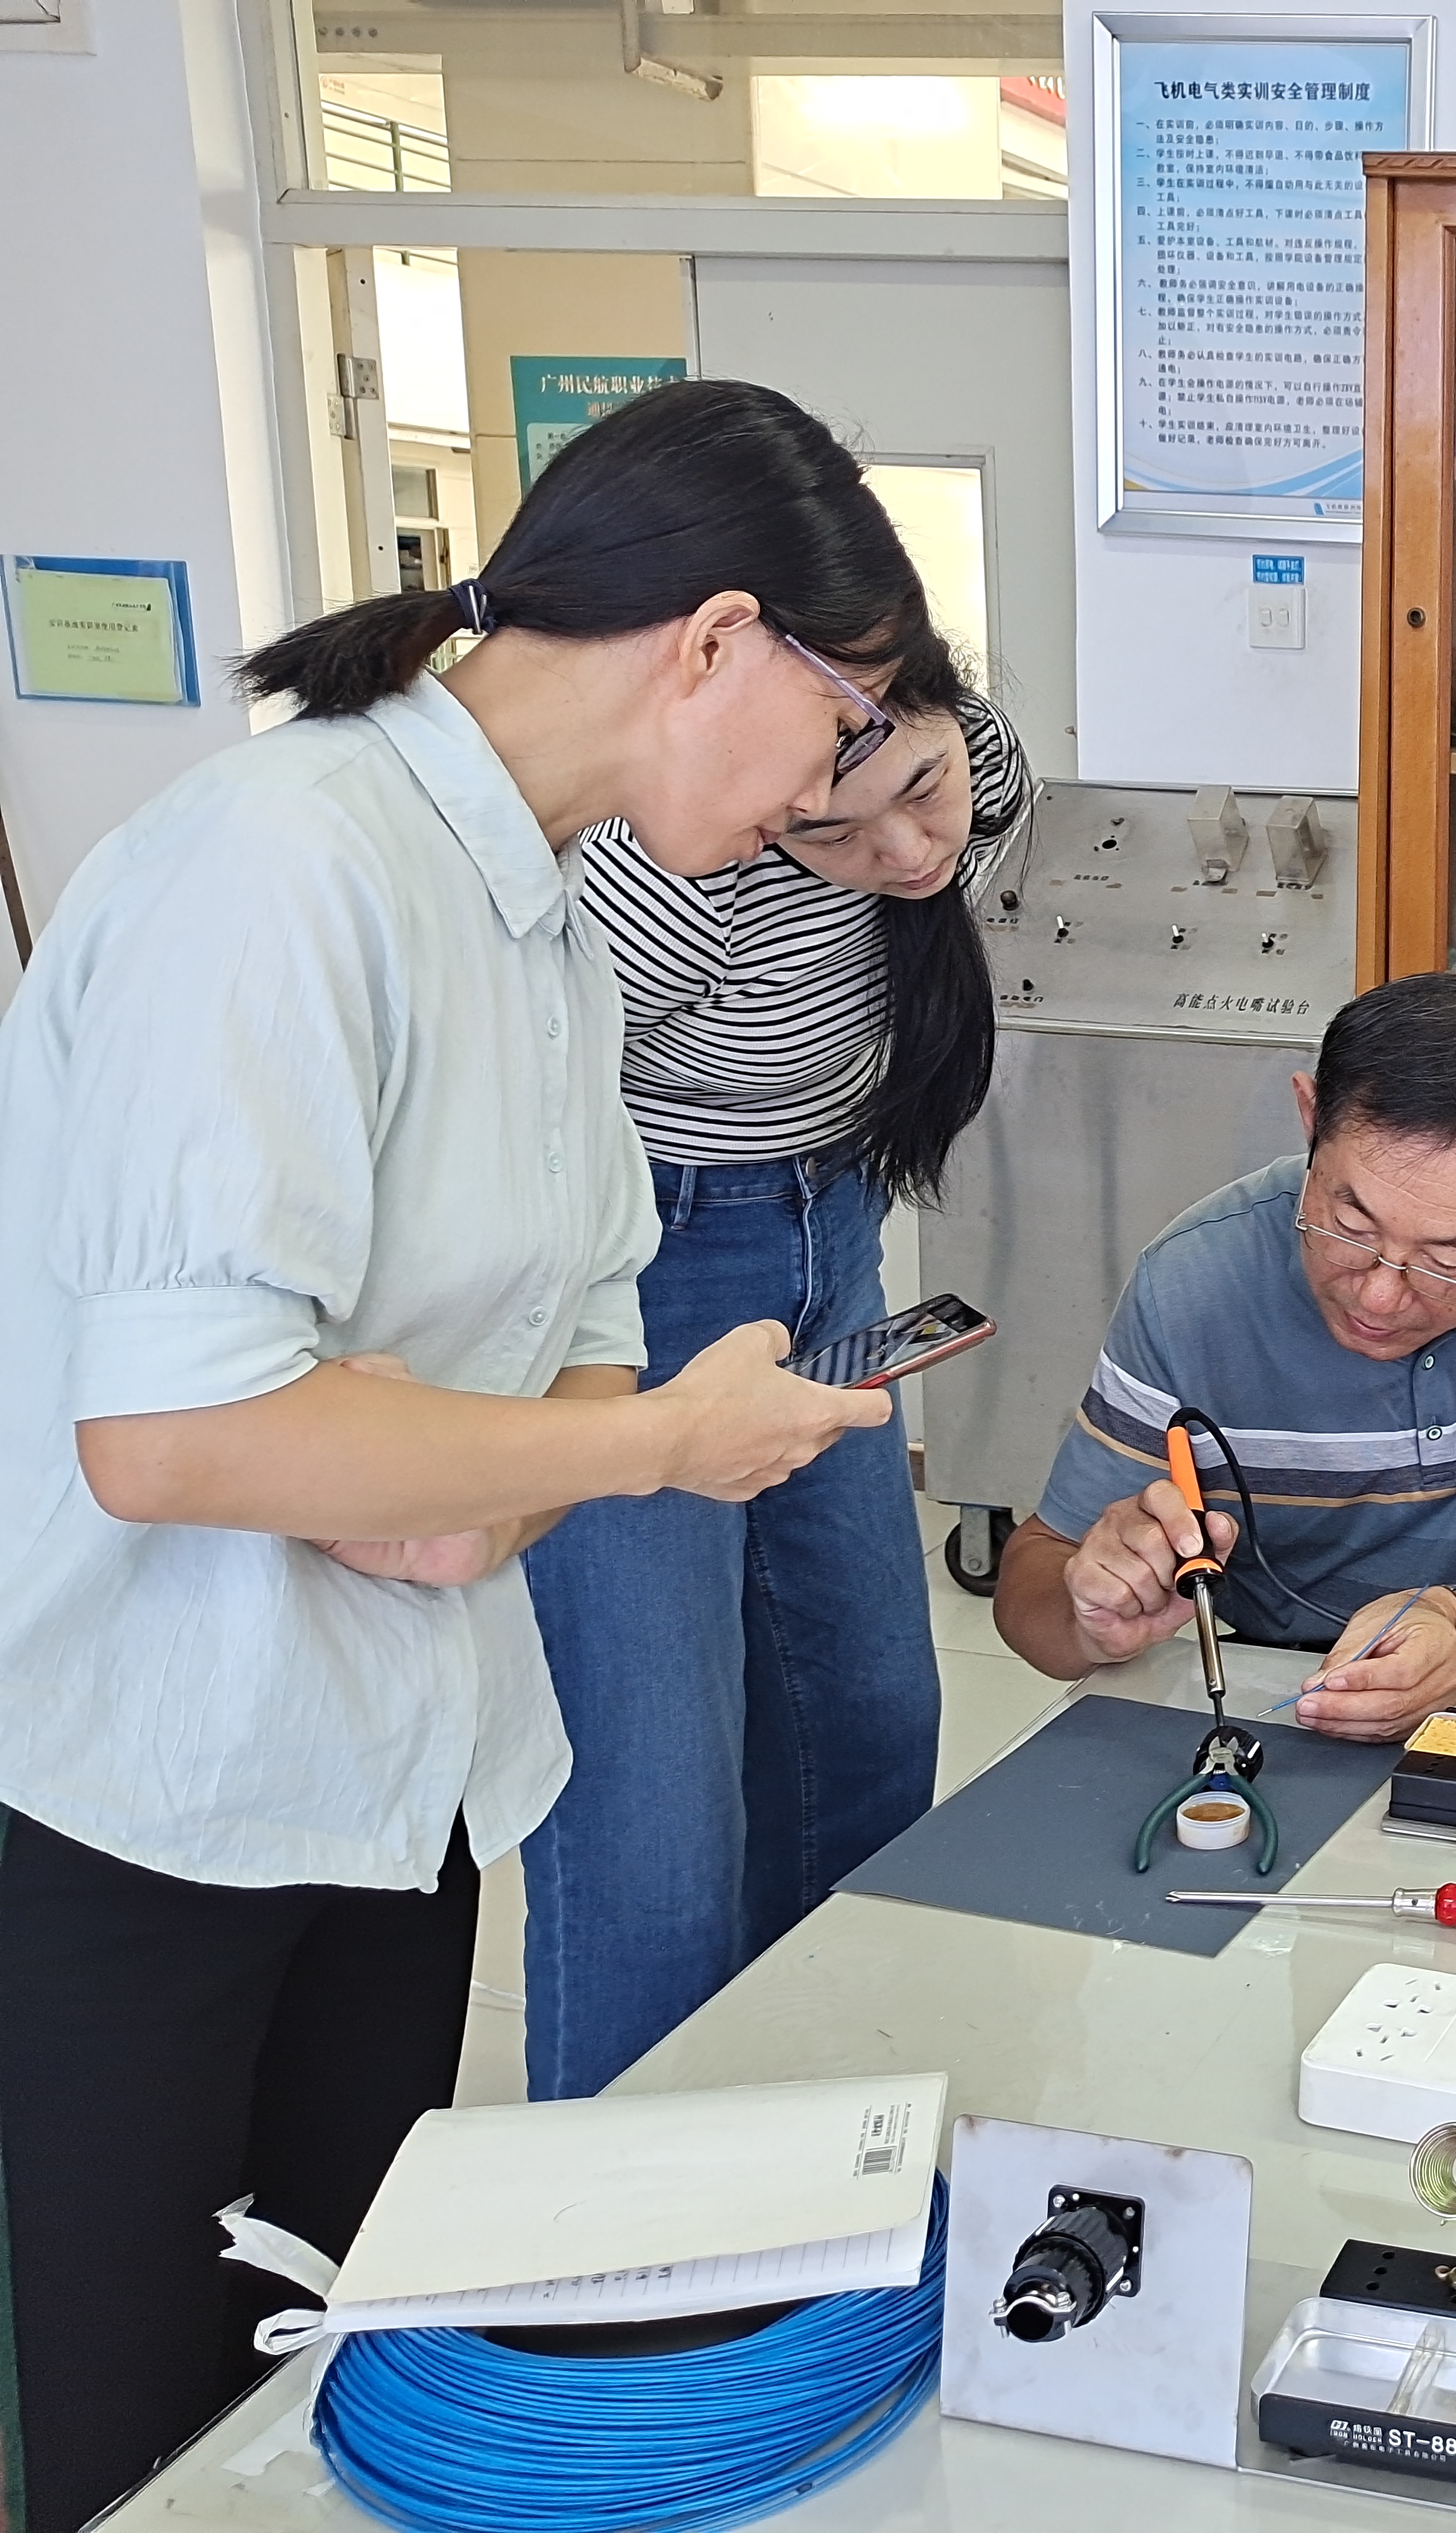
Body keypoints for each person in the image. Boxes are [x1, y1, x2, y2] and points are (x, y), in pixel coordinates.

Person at [0, 376, 926, 2533]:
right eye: (840, 721)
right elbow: (174, 1432)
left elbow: (575, 1345)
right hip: (153, 1790)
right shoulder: (283, 865)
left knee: (331, 2380)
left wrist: (474, 1461)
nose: (832, 789)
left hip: (390, 1772)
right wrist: (620, 1448)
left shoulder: (540, 914)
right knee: (143, 2442)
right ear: (716, 641)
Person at [517, 682, 1029, 2100]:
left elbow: (946, 803)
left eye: (920, 789)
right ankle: (610, 2219)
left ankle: (815, 2140)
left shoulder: (977, 758)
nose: (907, 853)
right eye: (831, 835)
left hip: (834, 1235)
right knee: (652, 1817)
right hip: (643, 1267)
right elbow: (521, 1096)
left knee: (866, 1728)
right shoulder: (672, 865)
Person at [996, 970, 1456, 1737]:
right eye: (1350, 1225)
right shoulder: (1193, 1278)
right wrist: (1090, 1619)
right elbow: (1034, 1582)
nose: (1378, 1296)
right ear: (1311, 1119)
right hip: (1289, 1686)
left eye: (1445, 1257)